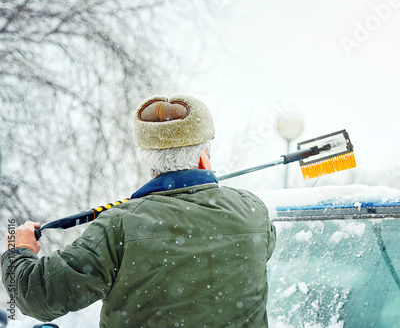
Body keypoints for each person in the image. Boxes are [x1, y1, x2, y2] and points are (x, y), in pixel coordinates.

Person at [1, 95, 276, 327]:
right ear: (203, 157)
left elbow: (36, 294)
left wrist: (18, 248)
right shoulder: (254, 211)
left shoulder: (119, 225)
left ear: (149, 163)